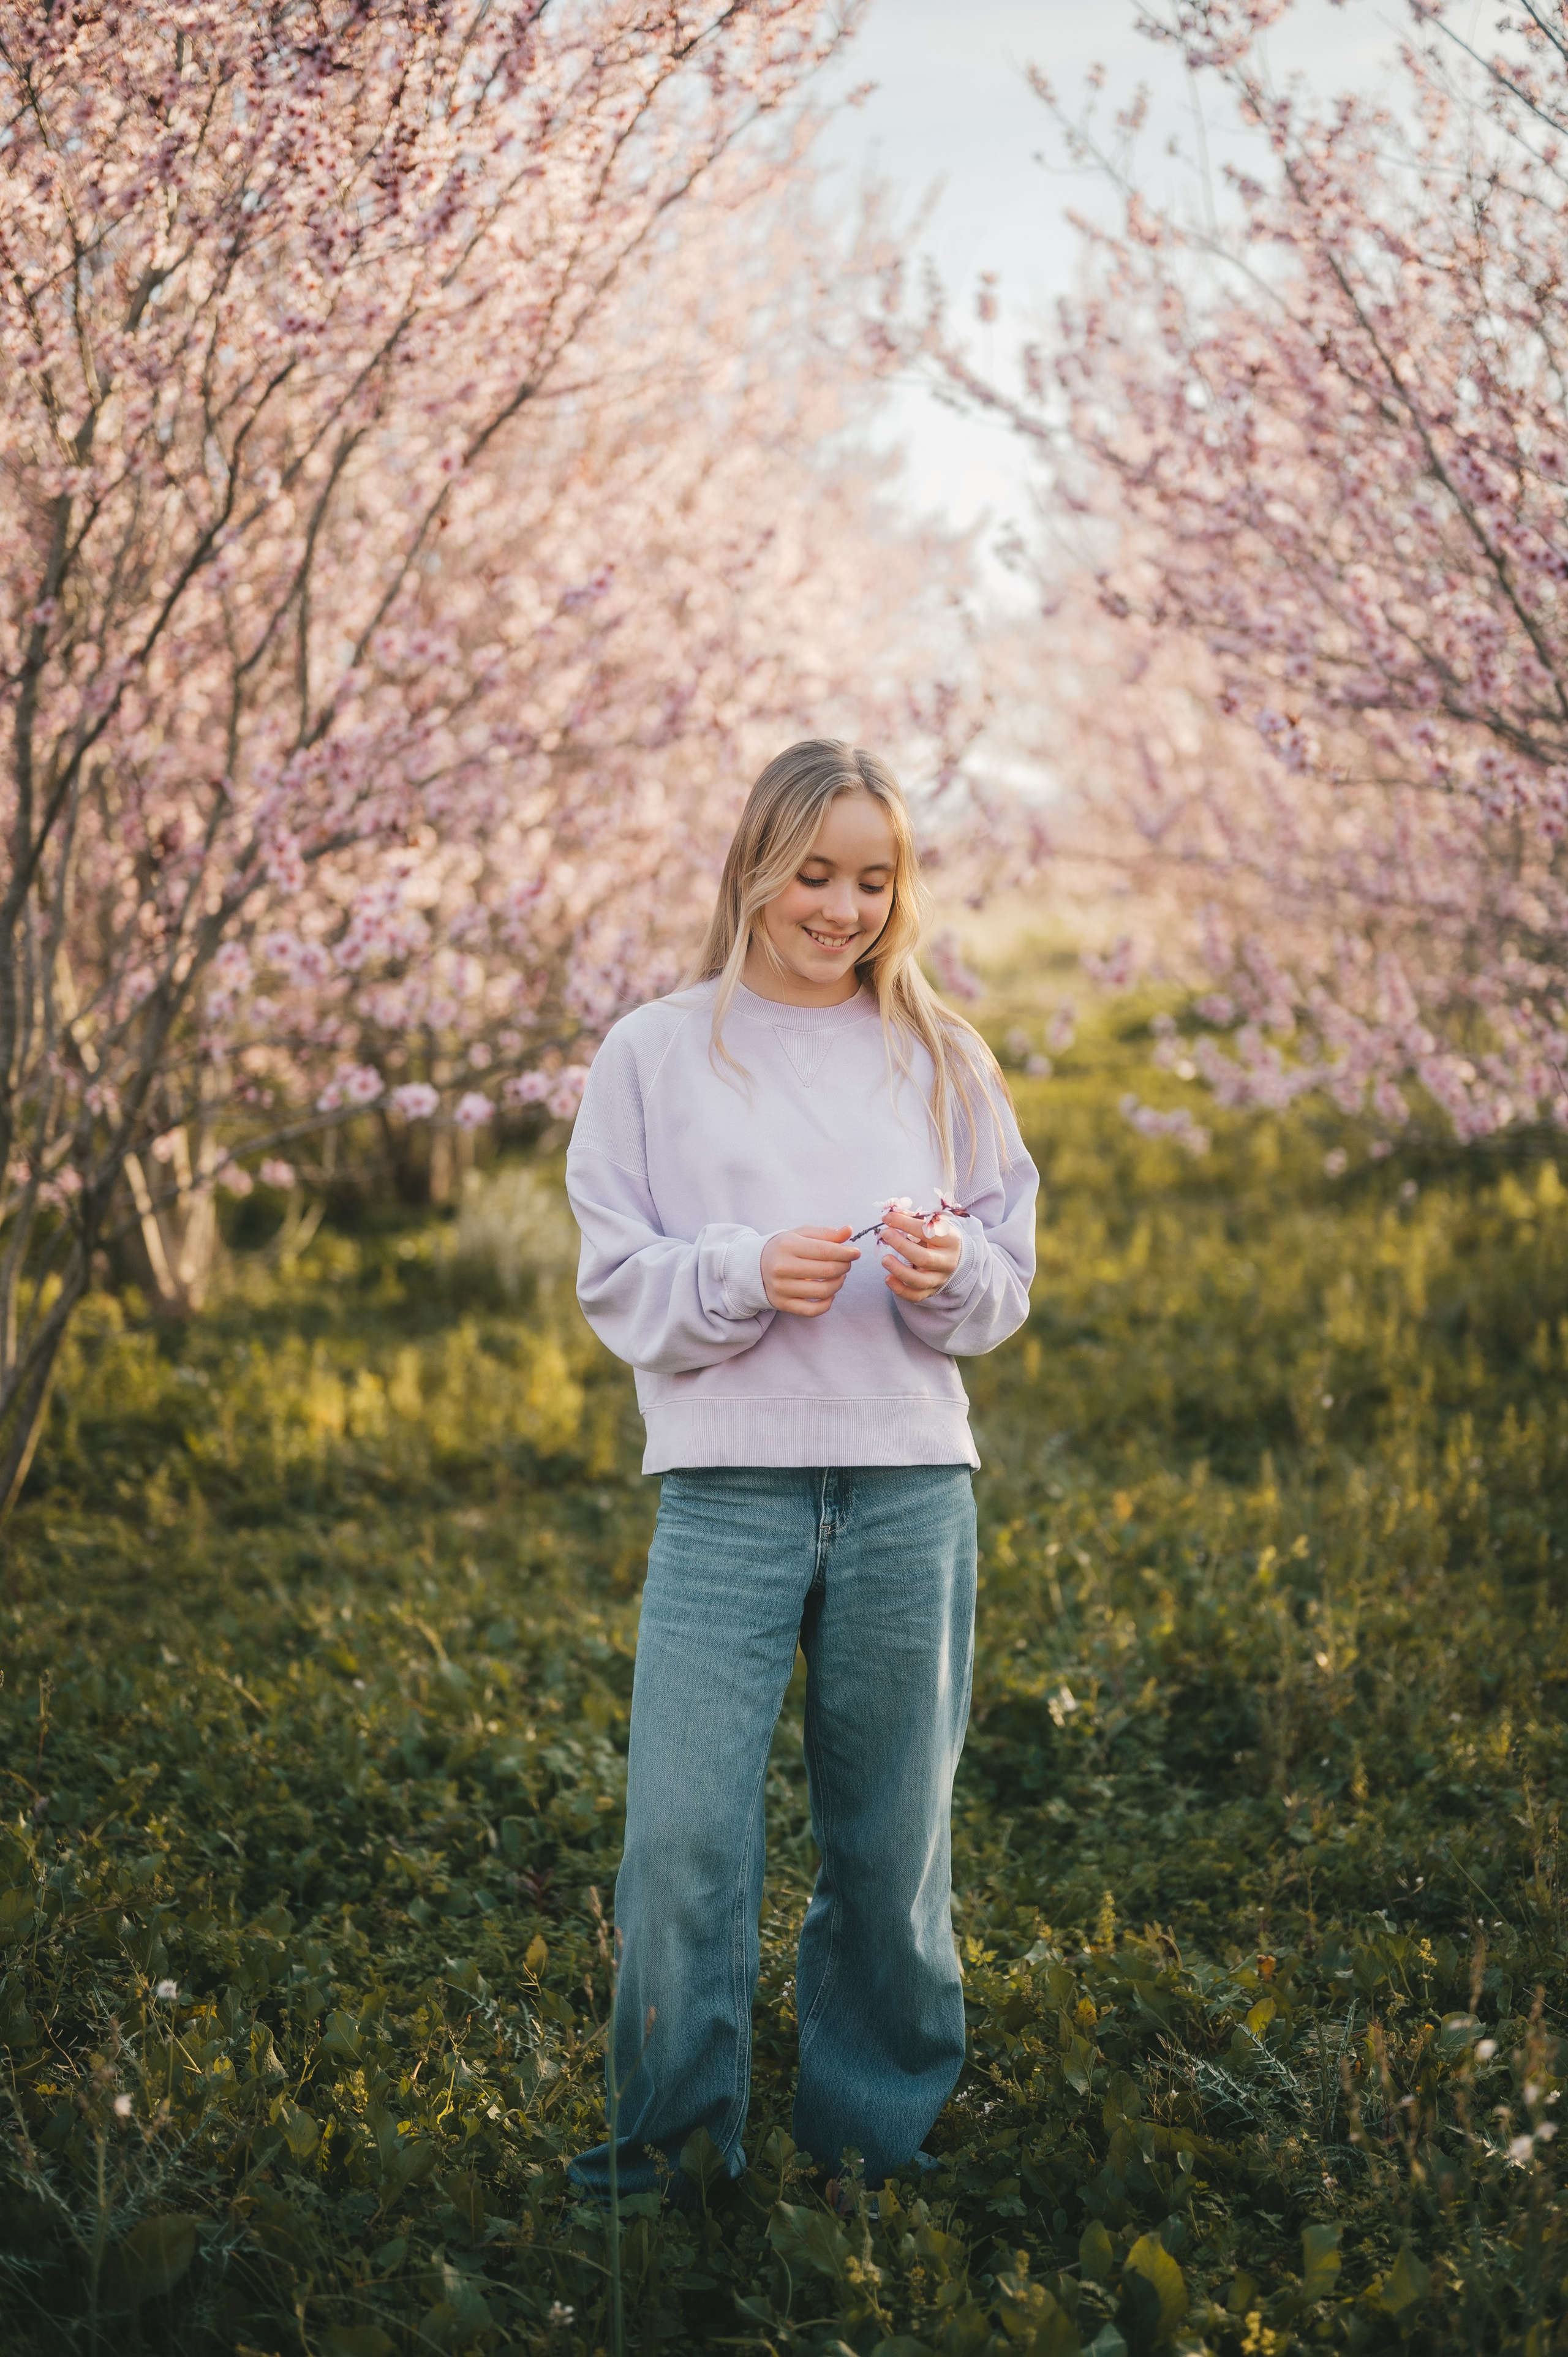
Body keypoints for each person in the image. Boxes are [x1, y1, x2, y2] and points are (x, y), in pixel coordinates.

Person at [563, 737, 1038, 2204]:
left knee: (891, 1841)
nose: (840, 909)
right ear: (754, 867)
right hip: (729, 1493)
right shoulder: (655, 1051)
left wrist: (949, 1272)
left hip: (908, 1487)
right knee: (682, 1839)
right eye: (813, 873)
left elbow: (1005, 1274)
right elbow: (616, 1278)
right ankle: (667, 2158)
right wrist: (743, 1273)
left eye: (872, 880)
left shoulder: (942, 1055)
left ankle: (867, 2149)